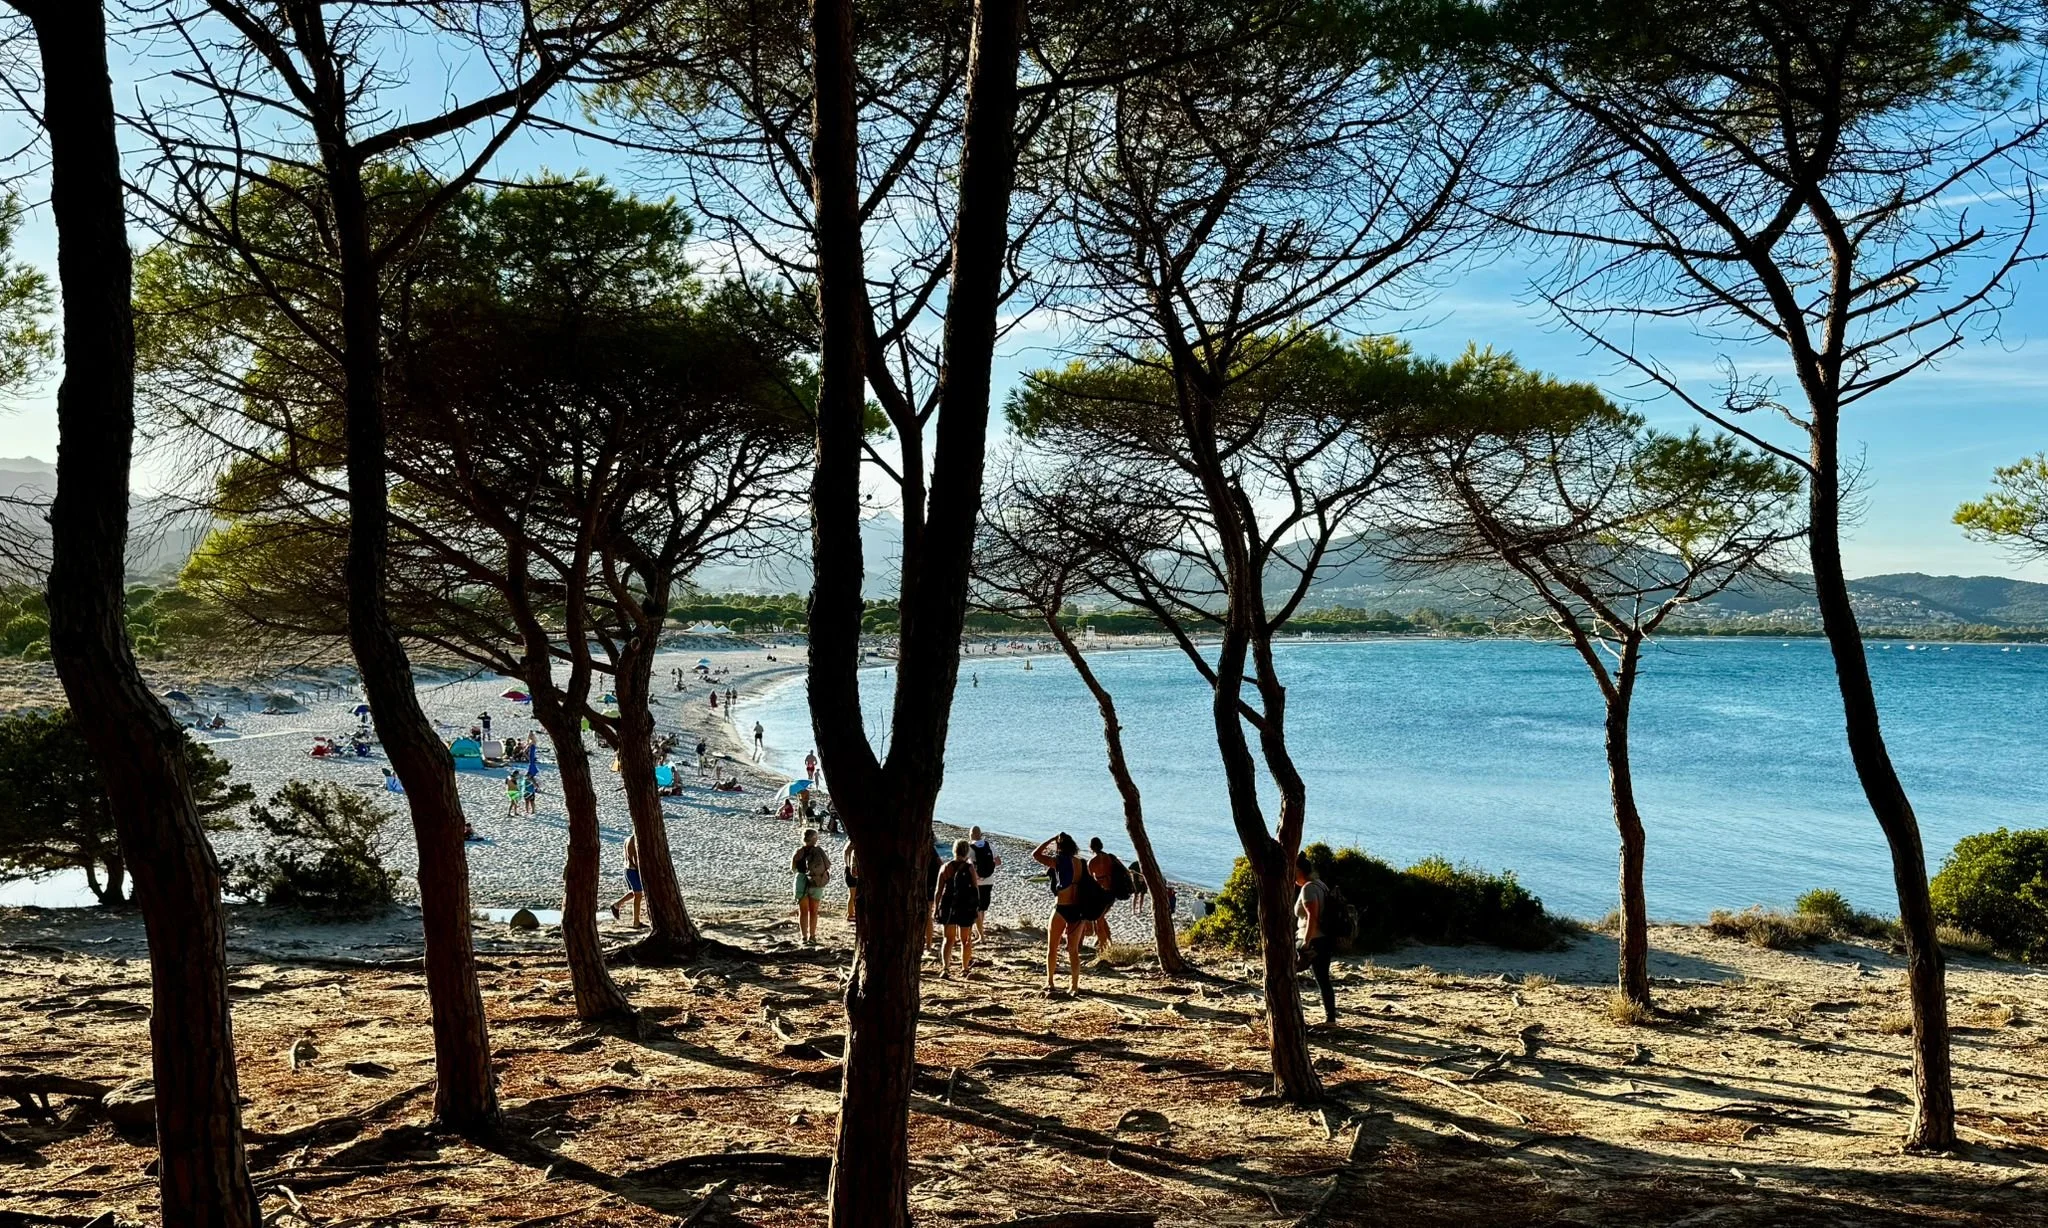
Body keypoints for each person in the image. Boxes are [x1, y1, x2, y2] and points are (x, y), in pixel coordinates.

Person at [1033, 832, 1087, 995]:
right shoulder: (1081, 863)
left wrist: (1050, 839)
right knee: (1073, 951)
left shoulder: (1058, 861)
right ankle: (1074, 986)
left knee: (1052, 948)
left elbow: (1035, 854)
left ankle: (1050, 982)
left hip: (1062, 908)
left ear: (1059, 847)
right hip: (1077, 911)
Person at [1295, 852, 1337, 1027]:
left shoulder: (1309, 888)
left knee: (1286, 971)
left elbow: (1313, 916)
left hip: (1313, 940)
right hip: (1324, 939)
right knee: (1322, 978)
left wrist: (1306, 941)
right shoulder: (1321, 885)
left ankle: (1292, 1011)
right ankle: (1330, 1018)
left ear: (1299, 871)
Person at [933, 840, 981, 978]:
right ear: (966, 851)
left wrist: (936, 908)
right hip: (965, 906)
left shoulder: (945, 867)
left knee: (948, 939)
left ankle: (945, 968)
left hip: (948, 905)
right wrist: (976, 907)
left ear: (954, 850)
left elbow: (938, 891)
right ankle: (965, 968)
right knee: (965, 939)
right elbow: (975, 888)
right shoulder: (970, 868)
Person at [791, 829, 830, 945]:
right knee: (814, 911)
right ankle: (812, 936)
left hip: (801, 881)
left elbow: (793, 868)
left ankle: (803, 937)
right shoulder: (819, 851)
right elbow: (827, 865)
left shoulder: (798, 851)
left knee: (803, 911)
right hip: (816, 881)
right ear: (814, 839)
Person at [1084, 837, 1119, 960]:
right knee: (1102, 917)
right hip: (1113, 892)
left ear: (1091, 848)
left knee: (1098, 921)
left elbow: (1090, 882)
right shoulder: (1110, 858)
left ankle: (1103, 950)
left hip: (1102, 893)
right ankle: (1109, 942)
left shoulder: (1091, 862)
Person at [969, 825, 1000, 944]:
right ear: (980, 834)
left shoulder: (970, 847)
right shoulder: (989, 846)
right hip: (989, 880)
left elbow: (968, 864)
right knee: (982, 908)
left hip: (976, 881)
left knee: (976, 908)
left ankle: (979, 934)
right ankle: (979, 932)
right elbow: (998, 862)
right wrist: (988, 867)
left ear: (971, 835)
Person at [610, 835, 643, 927]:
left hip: (628, 869)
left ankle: (616, 905)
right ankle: (636, 922)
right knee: (638, 895)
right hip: (632, 870)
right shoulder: (633, 840)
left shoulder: (628, 839)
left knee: (634, 893)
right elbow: (635, 859)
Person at [844, 843, 859, 922]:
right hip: (852, 873)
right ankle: (850, 914)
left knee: (852, 895)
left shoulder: (847, 847)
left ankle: (851, 912)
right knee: (853, 895)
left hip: (847, 870)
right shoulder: (853, 849)